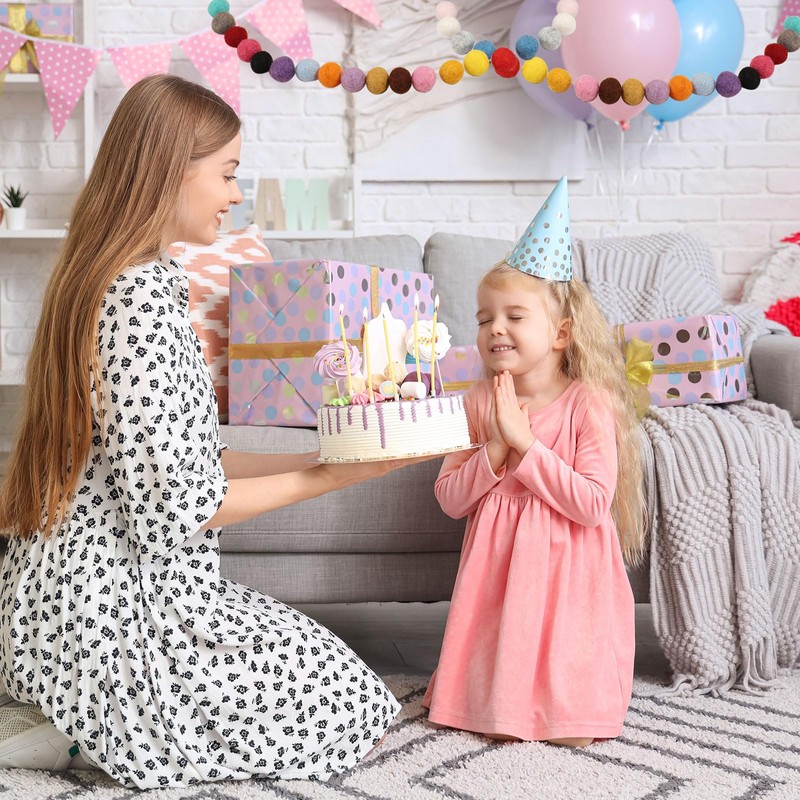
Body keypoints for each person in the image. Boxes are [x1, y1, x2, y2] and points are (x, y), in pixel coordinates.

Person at [0, 74, 428, 789]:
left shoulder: (118, 281)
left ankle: (74, 714)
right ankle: (78, 729)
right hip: (110, 617)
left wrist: (323, 451)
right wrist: (328, 477)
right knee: (346, 707)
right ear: (172, 169)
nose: (234, 193)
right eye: (227, 173)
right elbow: (180, 508)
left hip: (71, 605)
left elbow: (191, 458)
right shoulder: (138, 304)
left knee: (339, 679)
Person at [422, 178, 646, 747]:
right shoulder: (478, 401)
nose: (495, 328)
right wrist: (497, 448)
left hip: (569, 571)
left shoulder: (587, 404)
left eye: (514, 316)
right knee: (496, 678)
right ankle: (497, 703)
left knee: (568, 699)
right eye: (484, 318)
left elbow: (591, 503)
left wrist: (527, 445)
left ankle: (564, 712)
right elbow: (450, 499)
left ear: (561, 333)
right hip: (498, 567)